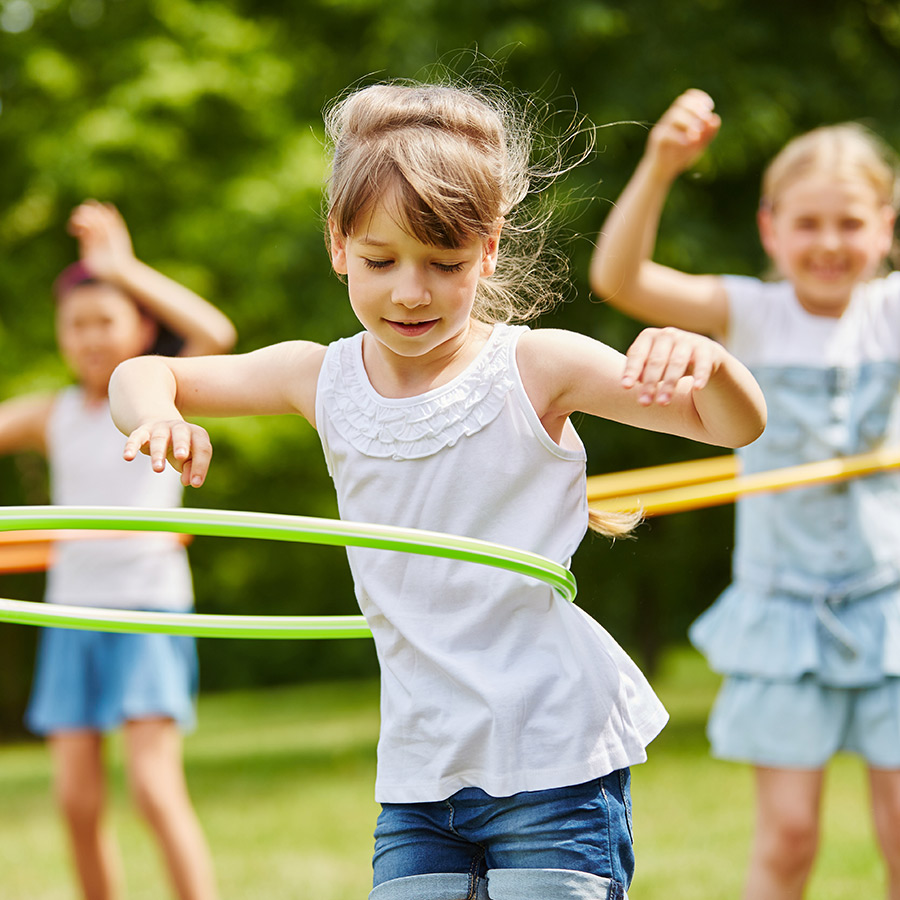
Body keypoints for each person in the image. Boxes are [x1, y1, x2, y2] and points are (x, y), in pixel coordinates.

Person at [109, 80, 765, 900]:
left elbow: (731, 426)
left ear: (488, 250)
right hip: (420, 774)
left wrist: (712, 360)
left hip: (551, 756)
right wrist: (157, 416)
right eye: (381, 261)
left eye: (444, 263)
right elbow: (140, 371)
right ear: (338, 244)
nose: (410, 291)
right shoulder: (318, 376)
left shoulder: (538, 366)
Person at [591, 88, 900, 900]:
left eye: (851, 223)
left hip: (891, 603)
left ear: (886, 229)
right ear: (770, 228)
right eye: (807, 223)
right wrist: (661, 165)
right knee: (790, 835)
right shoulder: (750, 312)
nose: (829, 243)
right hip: (782, 611)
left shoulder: (891, 312)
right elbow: (618, 277)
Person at [0, 199, 236, 900]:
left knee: (155, 791)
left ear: (140, 327)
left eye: (106, 320)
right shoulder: (56, 414)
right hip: (73, 614)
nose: (90, 337)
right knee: (75, 802)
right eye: (76, 325)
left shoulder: (159, 394)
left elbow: (216, 332)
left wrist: (122, 267)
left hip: (147, 609)